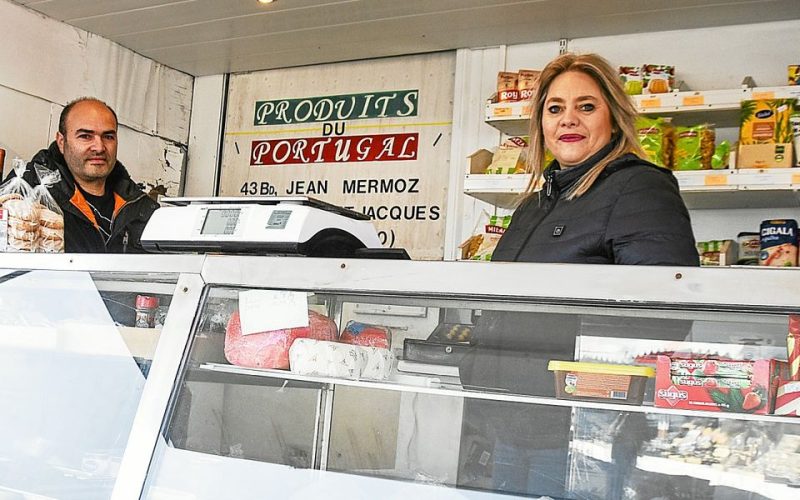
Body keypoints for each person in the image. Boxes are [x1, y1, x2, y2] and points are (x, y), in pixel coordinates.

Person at [459, 53, 699, 498]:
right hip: (509, 421)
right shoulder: (535, 205)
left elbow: (665, 316)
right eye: (555, 108)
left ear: (614, 117)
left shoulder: (640, 187)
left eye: (586, 106)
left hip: (576, 431)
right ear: (541, 123)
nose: (568, 119)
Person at [16, 97, 158, 253]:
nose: (99, 147)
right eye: (85, 136)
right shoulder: (27, 189)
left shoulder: (142, 208)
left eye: (108, 137)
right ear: (61, 142)